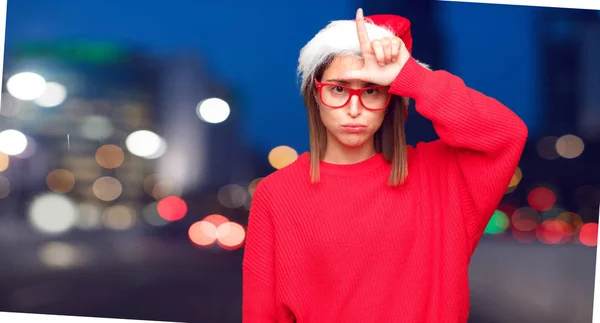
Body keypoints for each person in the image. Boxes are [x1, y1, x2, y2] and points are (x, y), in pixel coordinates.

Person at [242, 8, 528, 323]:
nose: (354, 108)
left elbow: (508, 134)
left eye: (372, 91)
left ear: (390, 99)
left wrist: (412, 76)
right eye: (339, 88)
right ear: (316, 93)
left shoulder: (441, 177)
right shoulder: (277, 193)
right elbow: (263, 313)